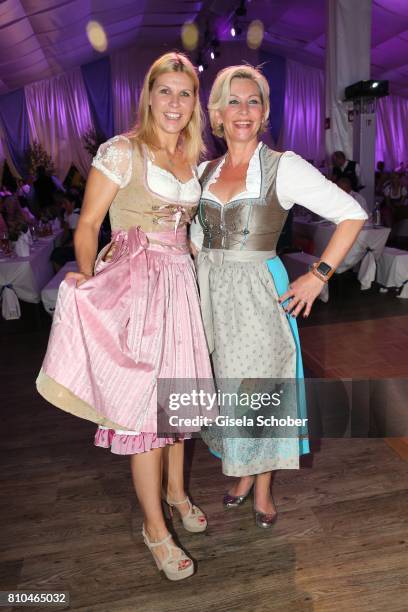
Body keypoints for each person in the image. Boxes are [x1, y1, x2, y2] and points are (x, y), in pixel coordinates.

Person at [37, 52, 213, 581]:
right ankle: (155, 529)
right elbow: (88, 224)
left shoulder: (194, 157)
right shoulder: (121, 151)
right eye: (166, 92)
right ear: (149, 94)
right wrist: (91, 280)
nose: (175, 103)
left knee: (175, 401)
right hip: (137, 291)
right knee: (145, 415)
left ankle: (178, 492)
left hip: (181, 285)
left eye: (185, 93)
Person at [190, 65, 367, 528]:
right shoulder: (204, 171)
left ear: (264, 111)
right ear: (217, 114)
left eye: (253, 101)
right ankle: (243, 473)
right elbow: (192, 238)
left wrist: (319, 274)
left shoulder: (282, 166)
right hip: (210, 293)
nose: (243, 110)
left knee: (263, 390)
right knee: (228, 391)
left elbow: (351, 215)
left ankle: (263, 484)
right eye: (233, 101)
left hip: (257, 293)